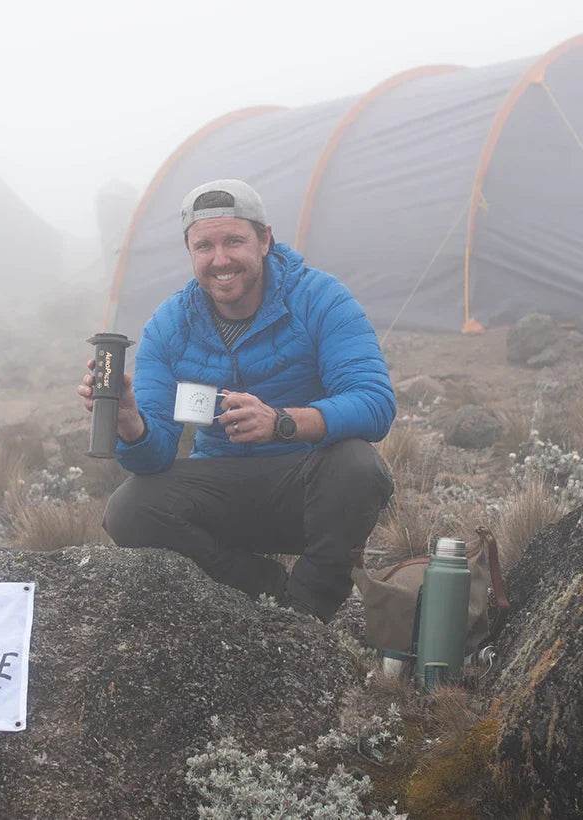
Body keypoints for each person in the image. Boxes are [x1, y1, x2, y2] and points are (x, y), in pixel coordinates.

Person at [78, 179, 395, 622]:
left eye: (234, 241)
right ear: (189, 251)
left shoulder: (320, 299)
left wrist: (281, 422)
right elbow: (153, 459)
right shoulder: (169, 325)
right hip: (222, 487)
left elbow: (375, 403)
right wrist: (130, 422)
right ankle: (263, 591)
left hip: (309, 489)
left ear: (265, 240)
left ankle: (309, 611)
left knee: (357, 465)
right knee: (130, 509)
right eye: (204, 246)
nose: (220, 259)